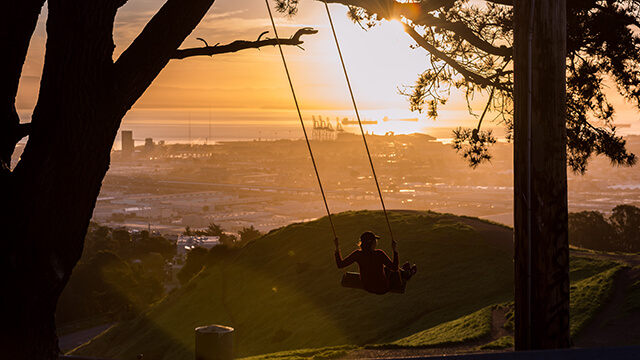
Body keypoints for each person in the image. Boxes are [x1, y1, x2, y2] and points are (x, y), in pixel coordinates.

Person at [334, 231, 416, 295]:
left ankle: (406, 271)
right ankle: (408, 273)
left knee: (386, 270)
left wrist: (337, 248)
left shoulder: (358, 254)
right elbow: (394, 267)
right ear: (373, 243)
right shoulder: (379, 254)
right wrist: (394, 250)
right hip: (382, 288)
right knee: (393, 273)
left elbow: (340, 264)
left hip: (367, 286)